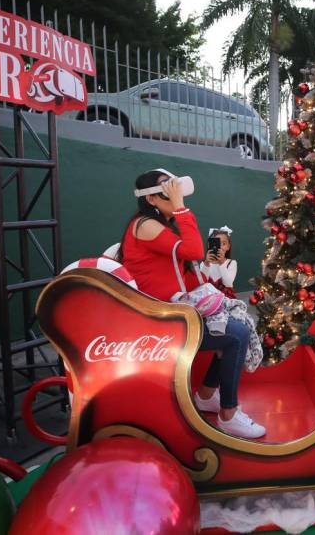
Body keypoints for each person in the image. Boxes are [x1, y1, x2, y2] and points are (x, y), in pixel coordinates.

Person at [119, 168, 265, 439]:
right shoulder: (145, 225)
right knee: (236, 334)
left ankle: (207, 396)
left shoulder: (160, 225)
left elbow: (184, 269)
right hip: (157, 317)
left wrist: (208, 275)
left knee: (233, 325)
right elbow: (194, 250)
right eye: (166, 186)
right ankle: (228, 414)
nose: (174, 191)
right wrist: (181, 208)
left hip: (171, 309)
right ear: (151, 198)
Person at [201, 226, 238, 299]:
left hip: (226, 299)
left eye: (223, 244)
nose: (220, 247)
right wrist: (206, 263)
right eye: (216, 244)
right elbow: (201, 283)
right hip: (208, 299)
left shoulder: (232, 263)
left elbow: (228, 283)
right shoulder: (204, 264)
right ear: (210, 246)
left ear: (228, 247)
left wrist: (221, 263)